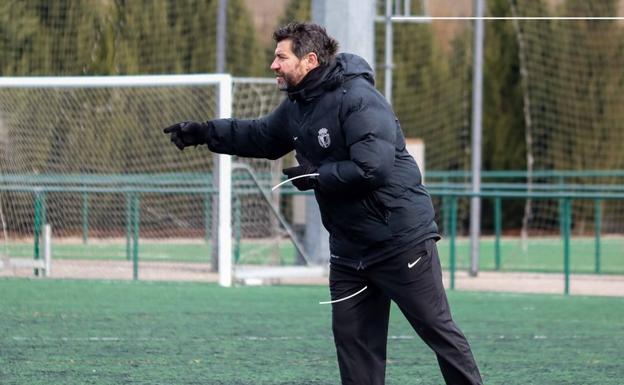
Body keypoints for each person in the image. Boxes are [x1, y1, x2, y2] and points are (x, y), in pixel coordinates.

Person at [164, 21, 482, 385]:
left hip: (400, 241)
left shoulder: (358, 98)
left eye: (281, 57)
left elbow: (373, 167)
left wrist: (316, 177)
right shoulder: (298, 106)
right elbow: (263, 137)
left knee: (438, 332)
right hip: (349, 252)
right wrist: (206, 133)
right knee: (354, 347)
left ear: (309, 60)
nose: (274, 65)